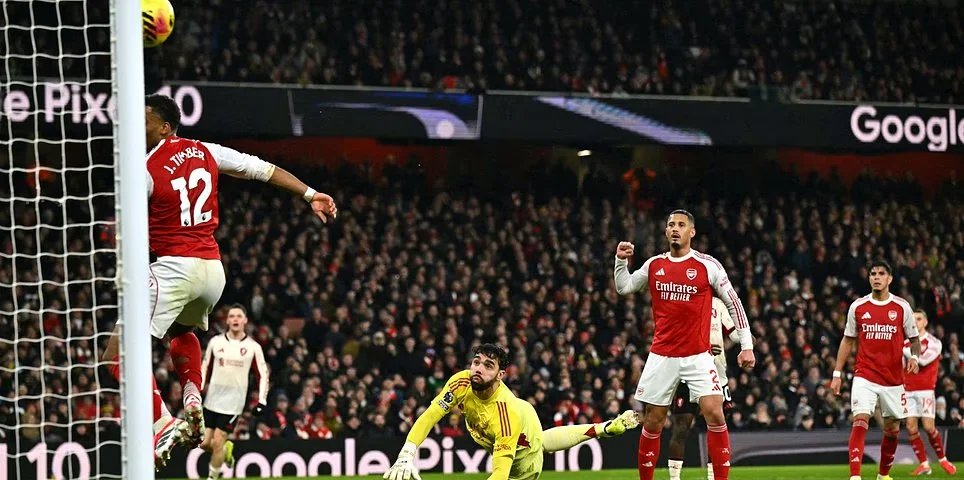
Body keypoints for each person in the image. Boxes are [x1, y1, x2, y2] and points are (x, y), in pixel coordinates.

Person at [100, 94, 337, 468]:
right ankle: (192, 396)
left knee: (116, 355)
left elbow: (126, 225)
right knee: (182, 332)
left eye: (144, 121)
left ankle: (163, 423)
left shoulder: (144, 168)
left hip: (174, 268)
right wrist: (309, 194)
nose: (135, 126)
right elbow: (260, 169)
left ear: (164, 128)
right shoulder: (207, 151)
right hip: (212, 271)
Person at [614, 209, 755, 480]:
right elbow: (625, 287)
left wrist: (746, 345)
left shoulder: (707, 265)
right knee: (653, 420)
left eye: (681, 225)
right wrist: (621, 261)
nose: (675, 229)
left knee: (715, 413)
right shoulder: (654, 265)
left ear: (692, 232)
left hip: (698, 356)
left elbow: (734, 303)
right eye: (671, 225)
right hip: (662, 356)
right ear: (666, 232)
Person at [383, 343, 639, 480]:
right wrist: (407, 452)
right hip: (522, 417)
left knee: (538, 446)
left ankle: (603, 428)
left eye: (488, 366)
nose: (478, 369)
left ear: (501, 375)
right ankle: (605, 428)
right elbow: (431, 414)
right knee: (541, 440)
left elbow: (501, 473)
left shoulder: (505, 416)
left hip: (523, 465)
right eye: (476, 362)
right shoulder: (460, 382)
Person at [831, 259, 921, 480]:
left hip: (893, 379)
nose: (877, 277)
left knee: (892, 429)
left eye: (881, 274)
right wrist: (837, 374)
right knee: (860, 418)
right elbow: (848, 340)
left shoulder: (902, 307)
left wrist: (915, 357)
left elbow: (915, 340)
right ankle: (855, 476)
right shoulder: (858, 306)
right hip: (865, 375)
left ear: (889, 279)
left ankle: (883, 475)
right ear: (869, 278)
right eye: (873, 274)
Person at [667, 297, 739, 480]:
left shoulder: (718, 304)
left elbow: (733, 333)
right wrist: (703, 347)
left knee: (716, 426)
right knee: (681, 428)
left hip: (717, 374)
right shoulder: (683, 301)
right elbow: (673, 338)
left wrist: (746, 341)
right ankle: (674, 478)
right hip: (688, 374)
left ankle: (712, 476)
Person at [200, 304, 270, 480]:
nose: (235, 319)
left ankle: (212, 477)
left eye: (239, 316)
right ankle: (225, 451)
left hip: (233, 404)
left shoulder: (253, 347)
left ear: (245, 320)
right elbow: (205, 366)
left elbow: (263, 374)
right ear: (227, 320)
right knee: (204, 443)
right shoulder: (216, 342)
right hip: (211, 400)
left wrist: (261, 400)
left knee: (217, 441)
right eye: (231, 316)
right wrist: (198, 388)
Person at [903, 309, 956, 476]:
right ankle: (924, 464)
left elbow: (924, 360)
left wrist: (902, 349)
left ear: (925, 322)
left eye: (919, 319)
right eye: (912, 319)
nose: (915, 322)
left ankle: (943, 459)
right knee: (911, 427)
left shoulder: (934, 342)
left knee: (928, 427)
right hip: (908, 390)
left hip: (925, 390)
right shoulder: (905, 342)